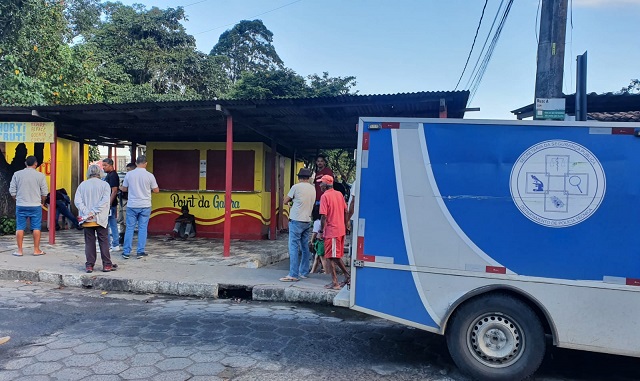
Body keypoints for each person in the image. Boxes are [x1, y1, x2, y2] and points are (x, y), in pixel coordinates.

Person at [75, 164, 117, 273]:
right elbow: (105, 201)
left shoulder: (82, 185)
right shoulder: (105, 185)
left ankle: (89, 265)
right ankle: (107, 265)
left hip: (86, 219)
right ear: (100, 173)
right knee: (103, 241)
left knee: (89, 242)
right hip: (100, 219)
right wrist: (93, 212)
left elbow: (77, 201)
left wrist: (86, 212)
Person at [279, 168, 315, 282]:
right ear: (308, 178)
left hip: (296, 220)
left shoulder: (296, 187)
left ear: (299, 177)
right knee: (305, 247)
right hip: (307, 220)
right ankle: (303, 272)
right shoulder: (313, 188)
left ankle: (293, 274)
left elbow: (285, 201)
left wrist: (291, 200)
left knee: (293, 247)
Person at [120, 155, 159, 259]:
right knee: (142, 228)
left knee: (129, 228)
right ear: (146, 163)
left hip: (132, 205)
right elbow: (156, 190)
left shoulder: (129, 175)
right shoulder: (150, 175)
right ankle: (140, 252)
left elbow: (124, 189)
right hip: (145, 205)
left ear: (136, 163)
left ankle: (126, 252)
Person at [8, 155, 48, 256]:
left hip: (21, 204)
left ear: (25, 163)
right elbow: (44, 192)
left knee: (20, 227)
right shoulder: (40, 176)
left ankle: (20, 251)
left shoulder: (17, 174)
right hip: (35, 205)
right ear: (36, 164)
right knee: (36, 227)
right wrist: (42, 202)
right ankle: (36, 250)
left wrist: (17, 200)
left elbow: (12, 191)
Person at [318, 175, 350, 290]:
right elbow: (346, 211)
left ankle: (336, 281)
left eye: (321, 183)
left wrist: (321, 231)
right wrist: (346, 224)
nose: (320, 185)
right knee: (334, 256)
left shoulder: (325, 196)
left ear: (326, 185)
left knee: (331, 256)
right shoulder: (339, 194)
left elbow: (323, 216)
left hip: (332, 230)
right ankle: (345, 277)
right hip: (340, 229)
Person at [102, 158, 120, 252]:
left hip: (110, 204)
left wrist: (108, 204)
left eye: (105, 165)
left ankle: (108, 244)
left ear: (111, 165)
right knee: (112, 223)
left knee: (106, 224)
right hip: (110, 204)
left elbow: (114, 191)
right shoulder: (110, 175)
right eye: (103, 165)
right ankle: (115, 244)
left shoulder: (113, 175)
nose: (103, 167)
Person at [117, 162, 136, 244]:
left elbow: (126, 189)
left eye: (128, 170)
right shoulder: (127, 177)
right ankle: (122, 235)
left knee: (126, 220)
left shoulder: (134, 178)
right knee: (121, 219)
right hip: (122, 200)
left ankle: (127, 238)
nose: (127, 172)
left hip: (128, 201)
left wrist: (120, 187)